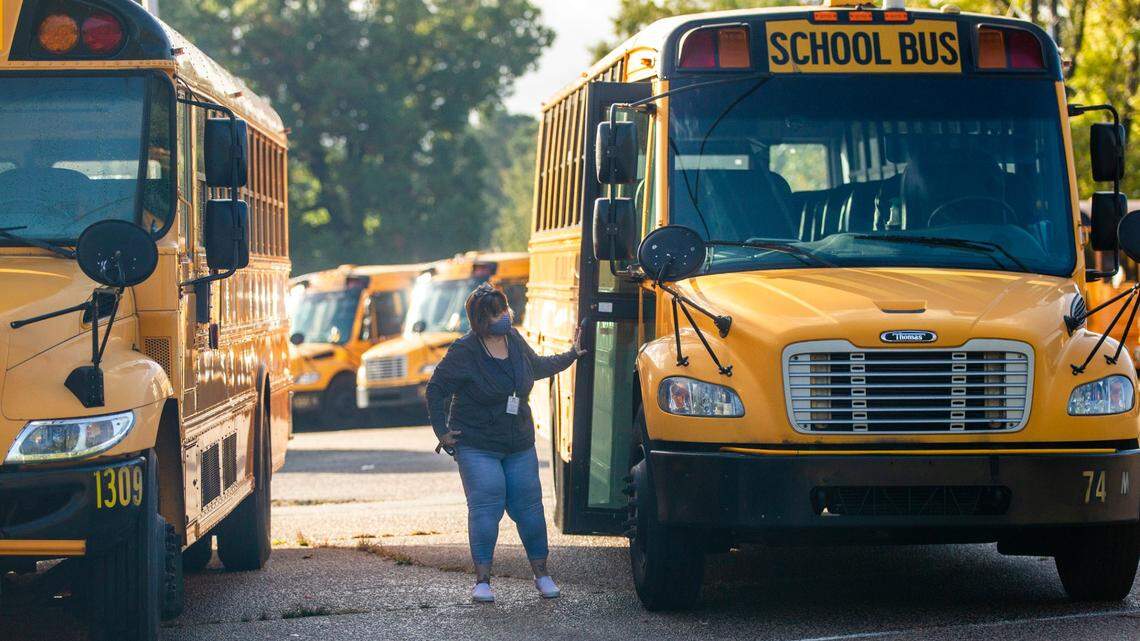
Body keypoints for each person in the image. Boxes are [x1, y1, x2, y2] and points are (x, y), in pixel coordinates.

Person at [425, 283, 585, 604]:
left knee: (529, 507)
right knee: (487, 502)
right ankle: (482, 582)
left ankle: (542, 575)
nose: (505, 316)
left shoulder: (513, 340)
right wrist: (442, 431)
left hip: (518, 441)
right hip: (476, 443)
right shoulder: (464, 351)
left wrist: (572, 355)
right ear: (481, 320)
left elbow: (536, 367)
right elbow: (436, 390)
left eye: (505, 309)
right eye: (496, 313)